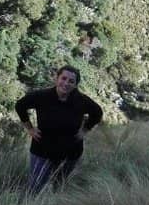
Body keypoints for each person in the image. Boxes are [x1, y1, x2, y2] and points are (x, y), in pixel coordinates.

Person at [15, 65, 103, 193]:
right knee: (35, 188)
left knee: (60, 188)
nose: (66, 83)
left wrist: (85, 130)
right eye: (64, 78)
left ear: (75, 85)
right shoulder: (42, 96)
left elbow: (97, 112)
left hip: (70, 153)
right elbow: (20, 105)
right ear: (57, 79)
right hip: (42, 151)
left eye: (71, 81)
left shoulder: (81, 100)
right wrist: (30, 128)